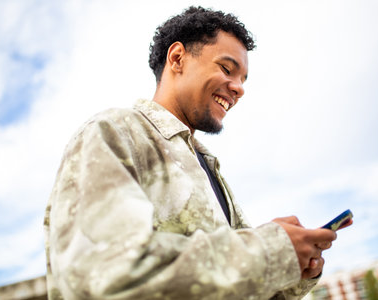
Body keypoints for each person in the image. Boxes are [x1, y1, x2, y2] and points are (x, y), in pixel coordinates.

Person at [44, 6, 339, 300]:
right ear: (177, 58)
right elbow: (103, 274)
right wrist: (271, 250)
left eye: (243, 80)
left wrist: (296, 269)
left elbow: (234, 286)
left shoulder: (208, 167)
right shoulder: (113, 132)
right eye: (227, 69)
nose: (238, 89)